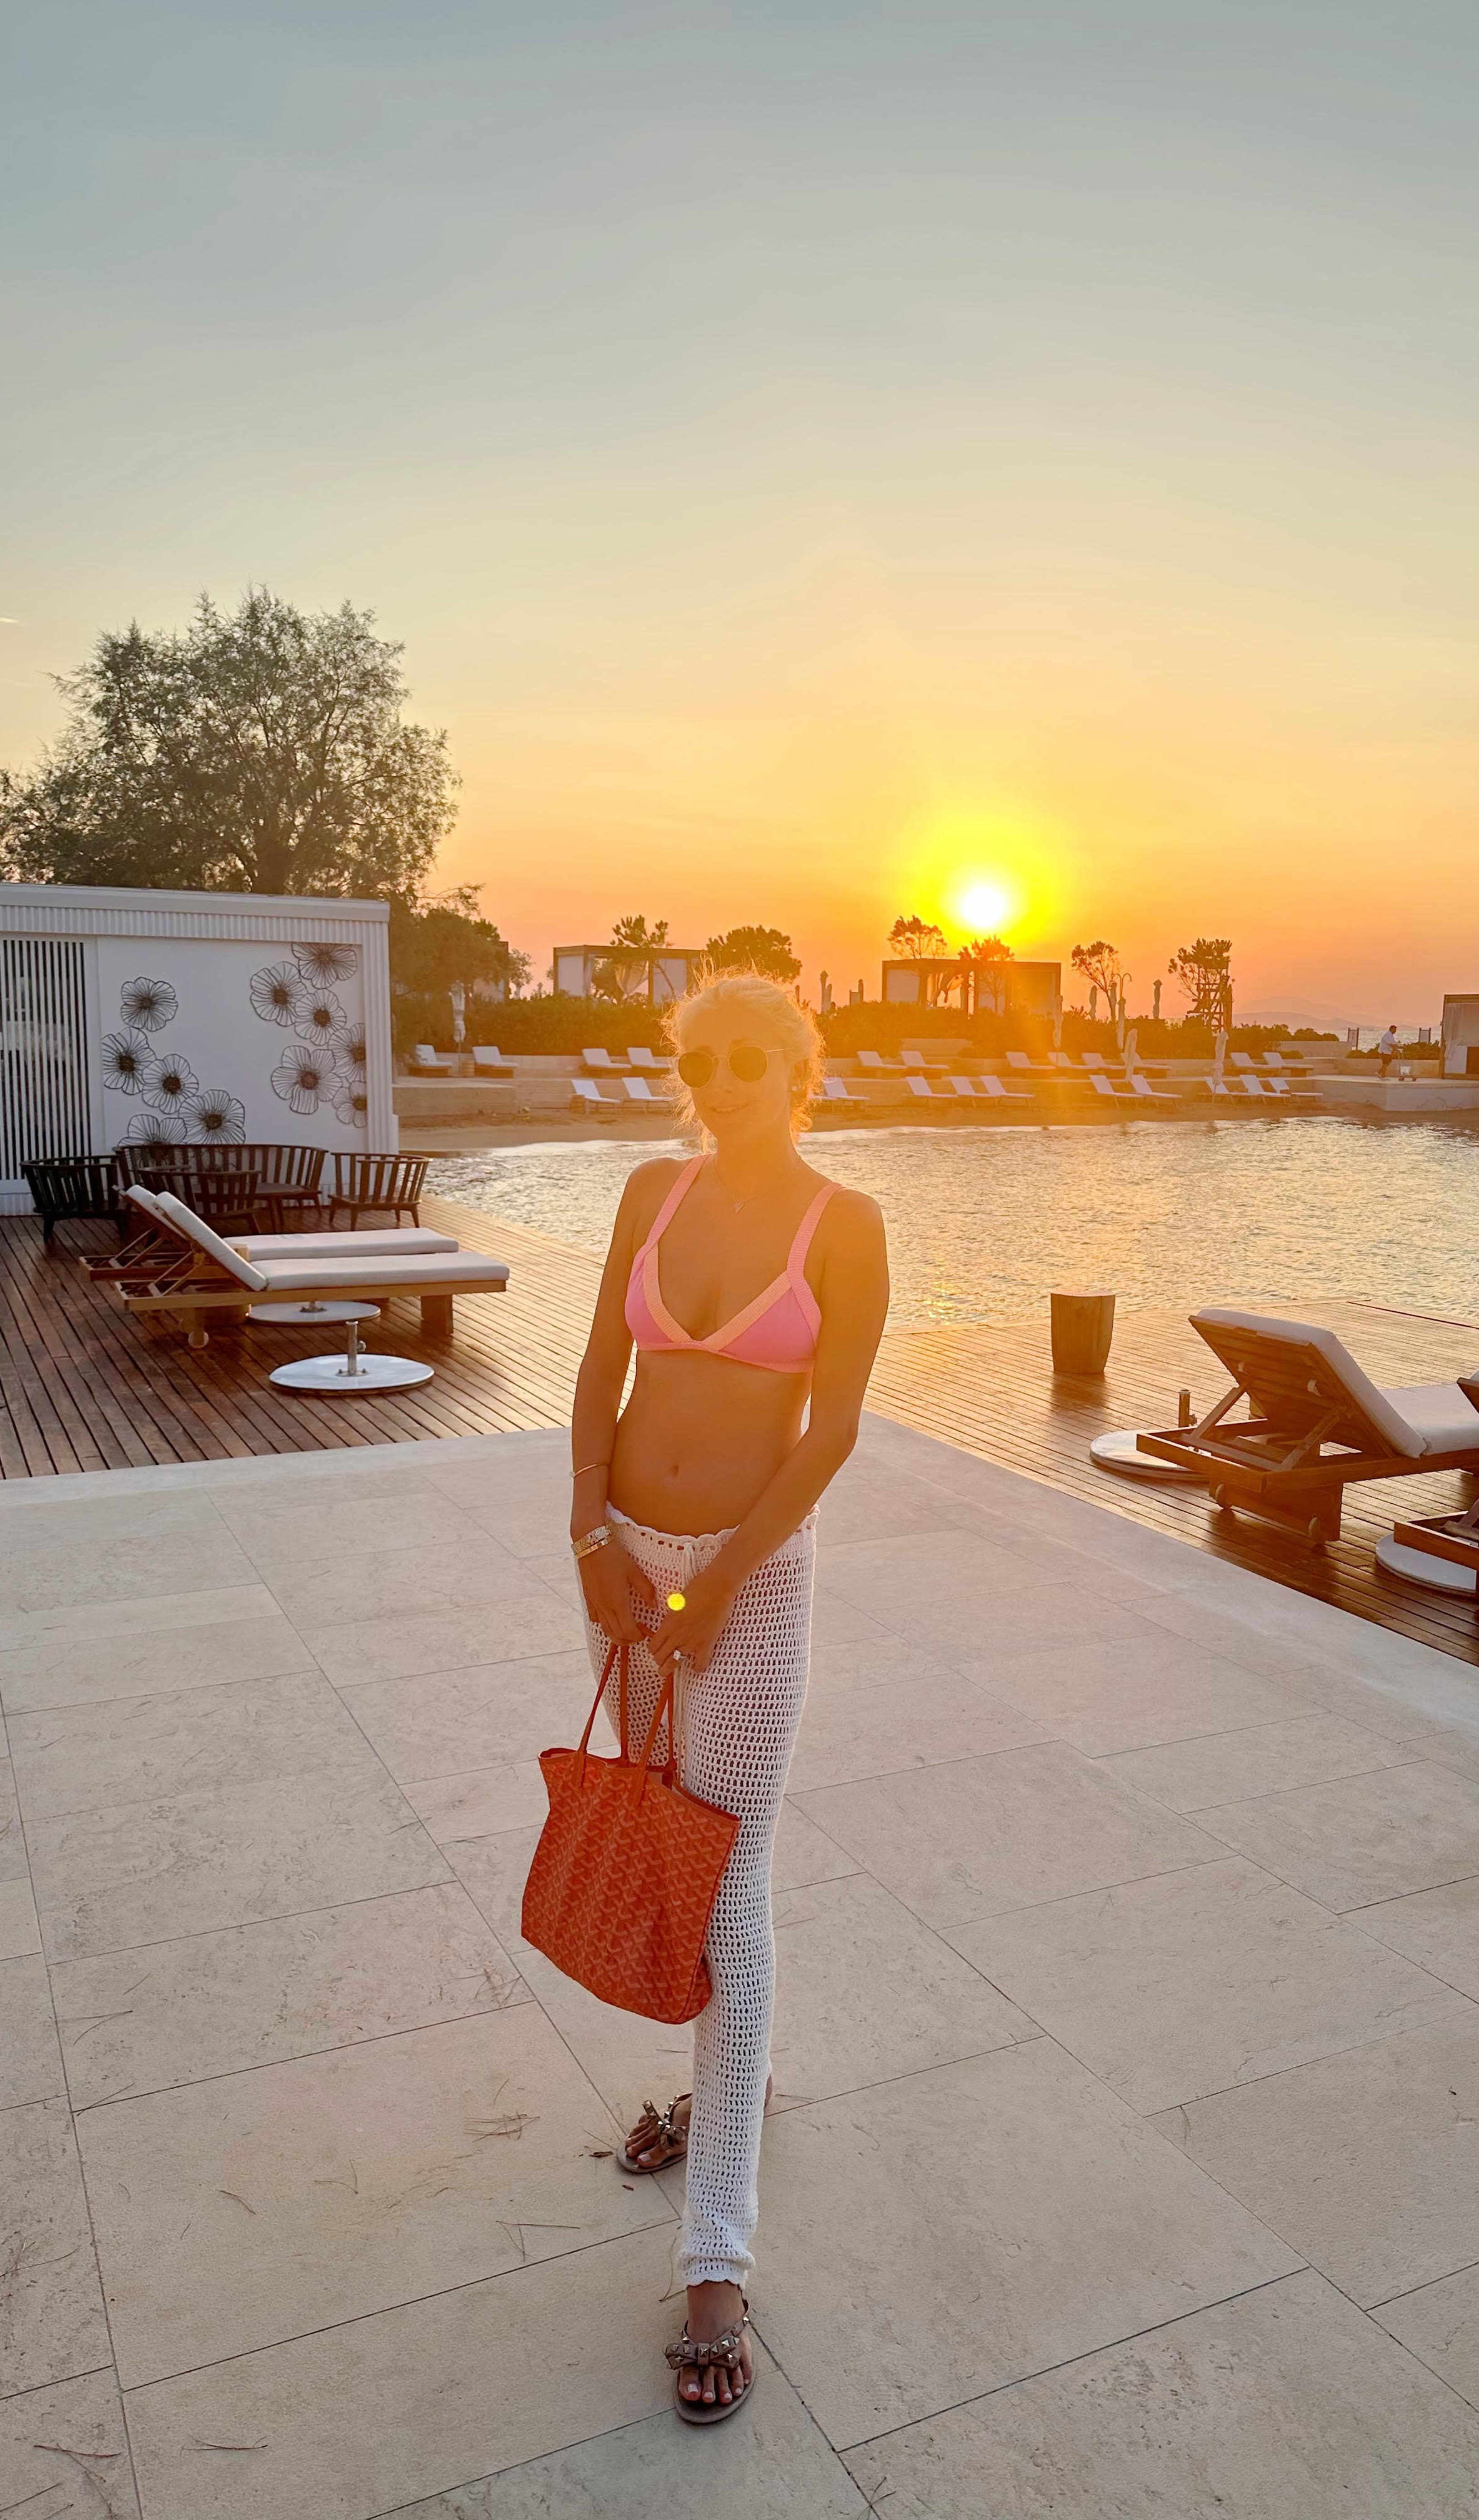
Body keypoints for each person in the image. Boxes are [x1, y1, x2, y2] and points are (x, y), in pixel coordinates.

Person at [567, 970, 889, 2421]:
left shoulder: (850, 1223)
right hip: (626, 1566)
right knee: (662, 1841)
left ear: (801, 1067)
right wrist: (593, 1544)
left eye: (753, 1055)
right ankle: (724, 2088)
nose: (723, 1077)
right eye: (701, 1058)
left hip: (747, 1578)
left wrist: (721, 1585)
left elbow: (831, 1433)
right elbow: (592, 1377)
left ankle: (717, 2255)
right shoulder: (649, 1189)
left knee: (734, 1870)